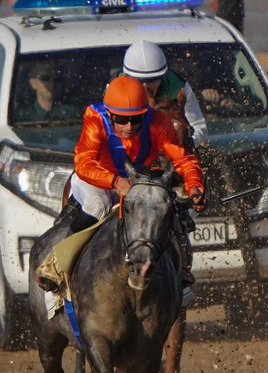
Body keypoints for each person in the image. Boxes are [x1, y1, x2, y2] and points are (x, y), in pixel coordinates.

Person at [50, 76, 204, 302]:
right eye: (121, 120)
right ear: (110, 113)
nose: (129, 127)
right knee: (98, 205)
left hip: (136, 181)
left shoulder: (158, 121)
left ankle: (179, 272)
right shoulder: (95, 117)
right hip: (96, 179)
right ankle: (56, 266)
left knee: (161, 207)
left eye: (136, 120)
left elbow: (183, 159)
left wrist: (194, 186)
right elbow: (84, 163)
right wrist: (114, 181)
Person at [122, 40, 208, 145]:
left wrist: (186, 144)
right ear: (128, 78)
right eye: (139, 81)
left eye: (151, 80)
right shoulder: (115, 91)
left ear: (161, 77)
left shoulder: (179, 88)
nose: (145, 86)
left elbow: (199, 128)